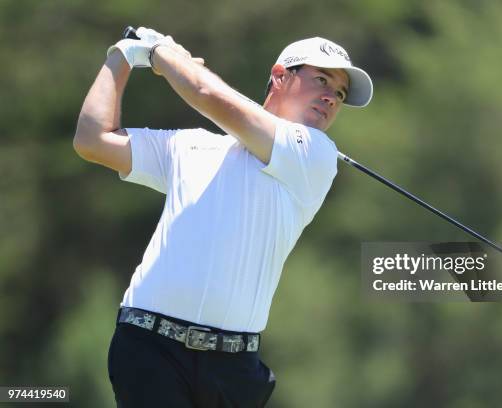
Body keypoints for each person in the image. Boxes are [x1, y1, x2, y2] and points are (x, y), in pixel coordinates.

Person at [73, 27, 373, 407]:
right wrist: (123, 56)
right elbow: (92, 140)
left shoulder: (315, 156)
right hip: (150, 349)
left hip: (233, 368)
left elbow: (206, 94)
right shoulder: (190, 146)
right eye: (321, 80)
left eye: (341, 93)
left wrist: (161, 53)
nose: (331, 97)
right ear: (280, 75)